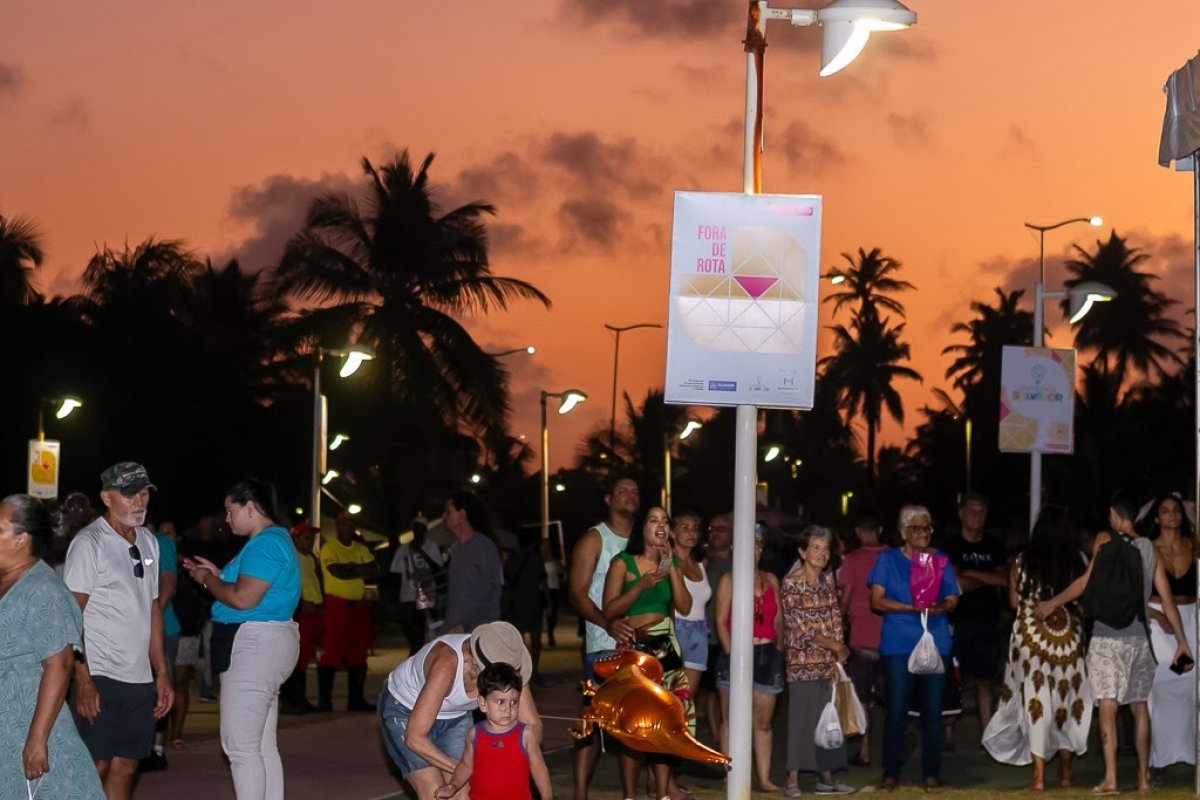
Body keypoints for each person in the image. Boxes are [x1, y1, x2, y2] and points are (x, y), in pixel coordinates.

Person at [1038, 490, 1194, 794]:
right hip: (1141, 638)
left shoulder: (1104, 540)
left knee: (1108, 706)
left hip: (1109, 638)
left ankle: (1111, 779)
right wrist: (1182, 641)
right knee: (1139, 707)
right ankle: (1143, 779)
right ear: (1136, 517)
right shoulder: (1149, 548)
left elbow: (1086, 582)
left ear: (1112, 514)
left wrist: (1052, 603)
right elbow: (1166, 600)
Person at [183, 479, 301, 800]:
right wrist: (219, 576)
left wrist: (208, 581)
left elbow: (244, 598)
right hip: (265, 641)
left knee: (241, 748)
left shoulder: (266, 543)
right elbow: (248, 589)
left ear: (250, 507)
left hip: (255, 643)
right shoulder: (272, 541)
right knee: (261, 746)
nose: (226, 518)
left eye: (230, 510)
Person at [64, 461, 174, 799]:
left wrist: (162, 673)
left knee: (126, 766)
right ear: (107, 497)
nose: (139, 502)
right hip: (101, 675)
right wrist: (83, 680)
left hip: (139, 679)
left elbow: (153, 609)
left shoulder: (150, 543)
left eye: (143, 493)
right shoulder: (89, 543)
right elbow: (69, 616)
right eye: (129, 495)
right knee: (94, 766)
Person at [0, 494, 104, 799]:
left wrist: (37, 738)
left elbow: (59, 666)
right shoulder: (6, 581)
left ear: (21, 539)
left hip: (28, 723)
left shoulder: (44, 590)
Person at [982, 505, 1090, 791]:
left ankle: (1039, 777)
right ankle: (1066, 772)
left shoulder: (1021, 561)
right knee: (1066, 701)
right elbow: (1083, 602)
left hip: (1030, 641)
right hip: (1068, 639)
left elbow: (1014, 603)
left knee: (1036, 700)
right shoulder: (1077, 562)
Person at [378, 620, 542, 800]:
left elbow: (532, 724)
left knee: (463, 793)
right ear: (480, 666)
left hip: (455, 717)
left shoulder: (508, 663)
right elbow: (414, 738)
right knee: (435, 792)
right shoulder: (447, 663)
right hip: (404, 710)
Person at [602, 506, 693, 800]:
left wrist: (672, 568)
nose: (661, 526)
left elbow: (685, 606)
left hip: (665, 648)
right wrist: (640, 585)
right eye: (654, 520)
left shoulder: (671, 562)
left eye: (665, 521)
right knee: (635, 726)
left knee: (665, 724)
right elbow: (610, 609)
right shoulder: (623, 562)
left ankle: (662, 795)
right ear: (642, 527)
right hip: (635, 647)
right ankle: (630, 795)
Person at [868, 504, 960, 793]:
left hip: (935, 641)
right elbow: (876, 600)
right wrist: (911, 608)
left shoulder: (940, 559)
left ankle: (930, 773)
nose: (924, 533)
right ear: (904, 532)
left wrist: (941, 607)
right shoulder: (888, 560)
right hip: (899, 643)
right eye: (918, 528)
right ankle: (891, 772)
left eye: (927, 528)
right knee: (897, 708)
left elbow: (953, 597)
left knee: (933, 710)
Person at [568, 475, 637, 800]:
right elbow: (577, 594)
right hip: (603, 647)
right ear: (608, 499)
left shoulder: (645, 538)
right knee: (592, 722)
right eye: (622, 490)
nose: (630, 495)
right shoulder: (595, 539)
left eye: (635, 491)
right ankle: (580, 792)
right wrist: (605, 623)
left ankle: (636, 791)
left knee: (637, 724)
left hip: (643, 648)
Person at [782, 525, 854, 796]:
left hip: (826, 663)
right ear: (802, 552)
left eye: (826, 549)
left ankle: (827, 778)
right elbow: (798, 626)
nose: (822, 554)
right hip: (801, 662)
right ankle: (792, 779)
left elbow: (835, 620)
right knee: (801, 720)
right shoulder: (791, 582)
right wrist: (835, 646)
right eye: (815, 548)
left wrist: (837, 659)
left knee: (827, 719)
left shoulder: (826, 582)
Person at [714, 524, 784, 792]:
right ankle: (729, 772)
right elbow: (720, 621)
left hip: (767, 654)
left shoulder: (771, 579)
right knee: (731, 719)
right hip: (735, 653)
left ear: (761, 548)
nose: (751, 548)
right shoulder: (728, 581)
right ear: (735, 548)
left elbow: (779, 621)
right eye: (745, 543)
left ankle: (764, 778)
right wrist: (733, 655)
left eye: (757, 543)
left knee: (763, 722)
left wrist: (779, 652)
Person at [433, 662, 553, 800]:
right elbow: (466, 765)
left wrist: (547, 796)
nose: (508, 708)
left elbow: (539, 767)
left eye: (514, 702)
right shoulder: (474, 734)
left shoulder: (525, 734)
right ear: (483, 704)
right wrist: (453, 785)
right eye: (501, 702)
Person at [939, 492, 1006, 736]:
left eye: (981, 511)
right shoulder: (950, 545)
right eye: (971, 510)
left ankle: (988, 734)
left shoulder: (994, 545)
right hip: (957, 621)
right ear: (961, 514)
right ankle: (948, 733)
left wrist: (972, 573)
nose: (976, 516)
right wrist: (985, 578)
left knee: (985, 681)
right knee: (954, 680)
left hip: (988, 621)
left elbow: (1006, 579)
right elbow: (957, 582)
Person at [1142, 492, 1197, 781]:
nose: (1172, 515)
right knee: (1160, 687)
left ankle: (1189, 752)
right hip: (1159, 621)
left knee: (1191, 685)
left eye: (1176, 510)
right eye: (1165, 510)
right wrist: (1156, 615)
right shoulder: (1148, 549)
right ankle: (1157, 760)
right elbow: (1134, 593)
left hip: (1191, 616)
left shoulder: (1193, 545)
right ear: (1156, 517)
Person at [836, 510, 887, 767]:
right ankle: (891, 748)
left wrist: (838, 623)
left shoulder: (852, 560)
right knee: (892, 698)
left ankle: (865, 750)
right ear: (880, 528)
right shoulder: (894, 557)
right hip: (891, 636)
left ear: (857, 532)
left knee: (862, 698)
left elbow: (844, 599)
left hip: (861, 638)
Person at [318, 510, 379, 712]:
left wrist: (351, 568)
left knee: (359, 650)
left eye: (351, 523)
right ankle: (325, 701)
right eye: (344, 523)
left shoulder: (360, 547)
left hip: (358, 605)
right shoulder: (329, 548)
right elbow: (337, 572)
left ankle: (356, 699)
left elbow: (374, 569)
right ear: (338, 526)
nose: (348, 527)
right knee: (332, 650)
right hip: (337, 605)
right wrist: (357, 568)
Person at [140, 519, 181, 773]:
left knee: (159, 687)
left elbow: (168, 583)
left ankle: (156, 748)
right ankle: (142, 746)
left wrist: (150, 618)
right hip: (132, 630)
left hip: (162, 627)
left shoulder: (160, 543)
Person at [442, 491, 503, 634]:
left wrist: (465, 626)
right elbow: (460, 594)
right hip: (454, 632)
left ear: (462, 514)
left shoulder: (484, 547)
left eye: (448, 512)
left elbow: (492, 595)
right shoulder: (456, 548)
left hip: (476, 633)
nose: (443, 517)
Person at [281, 522, 322, 715]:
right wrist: (302, 601)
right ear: (295, 538)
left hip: (313, 610)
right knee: (296, 656)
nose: (310, 541)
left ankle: (299, 698)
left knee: (305, 656)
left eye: (312, 538)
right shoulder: (292, 557)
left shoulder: (311, 558)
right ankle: (291, 700)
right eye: (306, 538)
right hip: (301, 611)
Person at [700, 513, 733, 744]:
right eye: (712, 528)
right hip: (709, 636)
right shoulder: (703, 561)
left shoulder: (742, 563)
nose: (715, 532)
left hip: (734, 637)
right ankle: (715, 736)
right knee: (710, 692)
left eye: (721, 529)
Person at [671, 510, 710, 703]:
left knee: (687, 700)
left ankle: (683, 733)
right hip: (676, 628)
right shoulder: (667, 563)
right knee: (670, 699)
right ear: (672, 533)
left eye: (694, 529)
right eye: (684, 528)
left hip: (699, 631)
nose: (690, 533)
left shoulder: (702, 563)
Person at [390, 515, 444, 653]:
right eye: (415, 528)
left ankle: (417, 653)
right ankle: (415, 651)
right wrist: (395, 599)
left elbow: (438, 569)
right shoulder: (403, 549)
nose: (418, 531)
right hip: (408, 596)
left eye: (421, 528)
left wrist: (421, 551)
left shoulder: (431, 547)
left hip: (426, 595)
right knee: (409, 628)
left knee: (421, 627)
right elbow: (395, 575)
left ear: (425, 530)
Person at [504, 528, 548, 684]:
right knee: (535, 640)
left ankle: (522, 671)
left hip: (516, 603)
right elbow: (543, 581)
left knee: (519, 641)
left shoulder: (514, 557)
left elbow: (507, 577)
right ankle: (534, 671)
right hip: (533, 602)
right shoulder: (535, 558)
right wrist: (548, 601)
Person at [544, 543, 564, 648]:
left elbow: (562, 572)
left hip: (554, 589)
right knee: (547, 612)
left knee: (553, 614)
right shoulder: (539, 562)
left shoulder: (554, 562)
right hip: (544, 589)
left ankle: (550, 633)